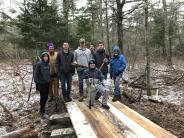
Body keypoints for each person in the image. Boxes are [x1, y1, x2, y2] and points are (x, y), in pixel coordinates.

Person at [34, 51, 50, 118]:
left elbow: (48, 74)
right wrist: (37, 83)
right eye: (44, 56)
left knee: (46, 97)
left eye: (47, 56)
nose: (46, 58)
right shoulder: (39, 64)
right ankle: (42, 112)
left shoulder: (48, 64)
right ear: (42, 57)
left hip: (47, 83)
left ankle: (43, 110)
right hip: (41, 84)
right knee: (42, 98)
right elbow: (35, 74)